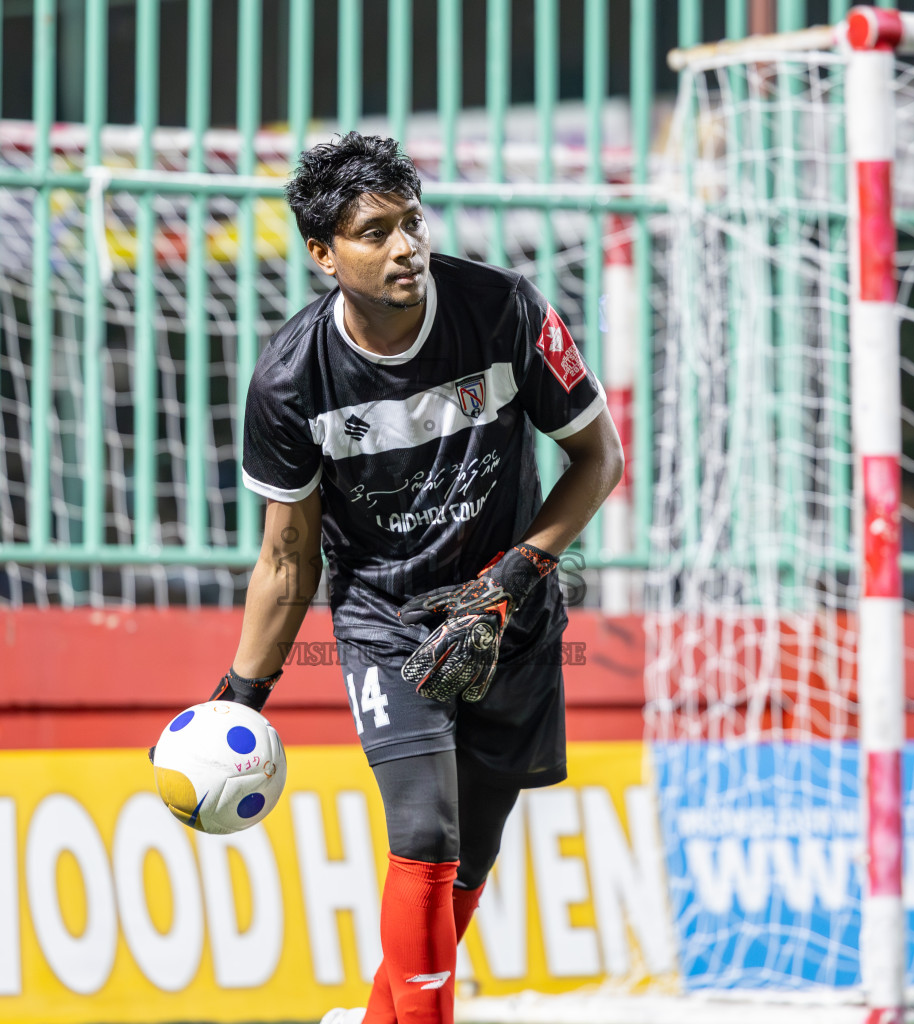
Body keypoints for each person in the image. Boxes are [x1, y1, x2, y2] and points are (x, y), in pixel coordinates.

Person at [214, 132, 623, 1024]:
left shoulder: (503, 310)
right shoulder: (290, 383)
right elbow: (288, 557)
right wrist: (241, 696)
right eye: (375, 232)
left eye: (412, 221)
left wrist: (514, 576)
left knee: (469, 863)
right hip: (385, 623)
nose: (407, 247)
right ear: (324, 254)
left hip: (510, 608)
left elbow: (598, 458)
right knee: (424, 837)